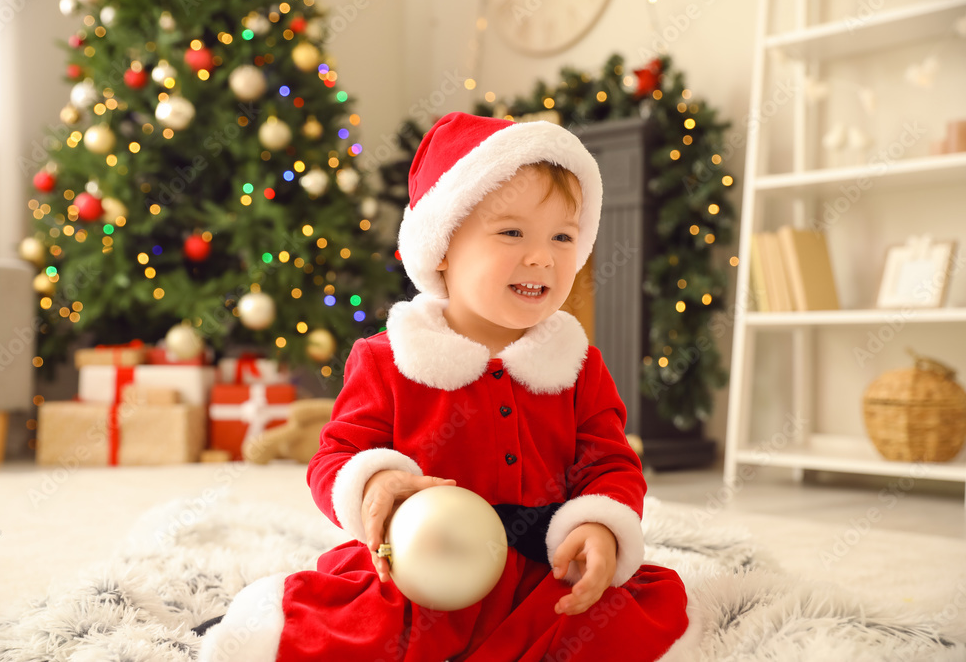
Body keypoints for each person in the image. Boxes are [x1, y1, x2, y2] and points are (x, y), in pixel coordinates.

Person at [199, 112, 700, 661]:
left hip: (539, 568)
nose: (542, 257)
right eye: (512, 232)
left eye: (563, 237)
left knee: (636, 613)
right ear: (441, 246)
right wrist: (374, 485)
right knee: (355, 630)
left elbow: (609, 463)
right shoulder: (388, 359)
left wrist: (600, 527)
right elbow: (338, 455)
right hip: (423, 564)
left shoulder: (578, 365)